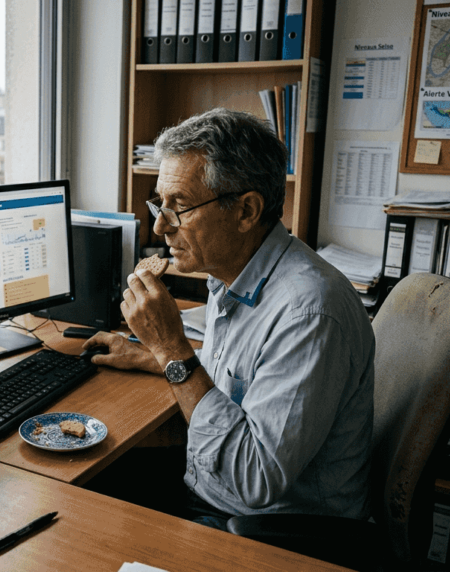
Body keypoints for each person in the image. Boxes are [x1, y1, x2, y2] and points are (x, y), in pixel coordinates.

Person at [83, 108, 375, 529]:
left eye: (179, 206)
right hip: (208, 483)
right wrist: (147, 356)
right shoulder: (234, 273)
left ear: (246, 211)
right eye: (159, 205)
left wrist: (170, 349)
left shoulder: (310, 314)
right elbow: (245, 374)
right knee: (82, 484)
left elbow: (253, 479)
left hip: (262, 527)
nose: (161, 226)